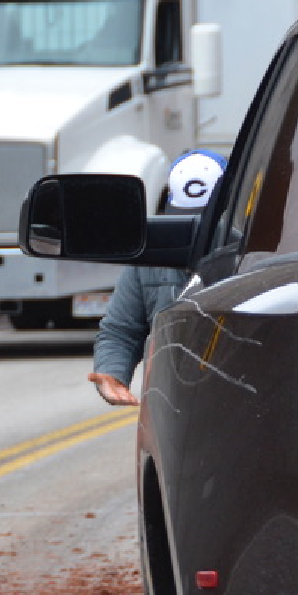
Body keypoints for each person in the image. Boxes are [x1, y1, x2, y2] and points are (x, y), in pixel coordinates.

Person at [88, 150, 227, 406]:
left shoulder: (251, 255)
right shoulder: (148, 261)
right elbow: (121, 330)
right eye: (185, 220)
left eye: (206, 223)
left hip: (232, 400)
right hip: (167, 404)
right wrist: (112, 373)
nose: (196, 233)